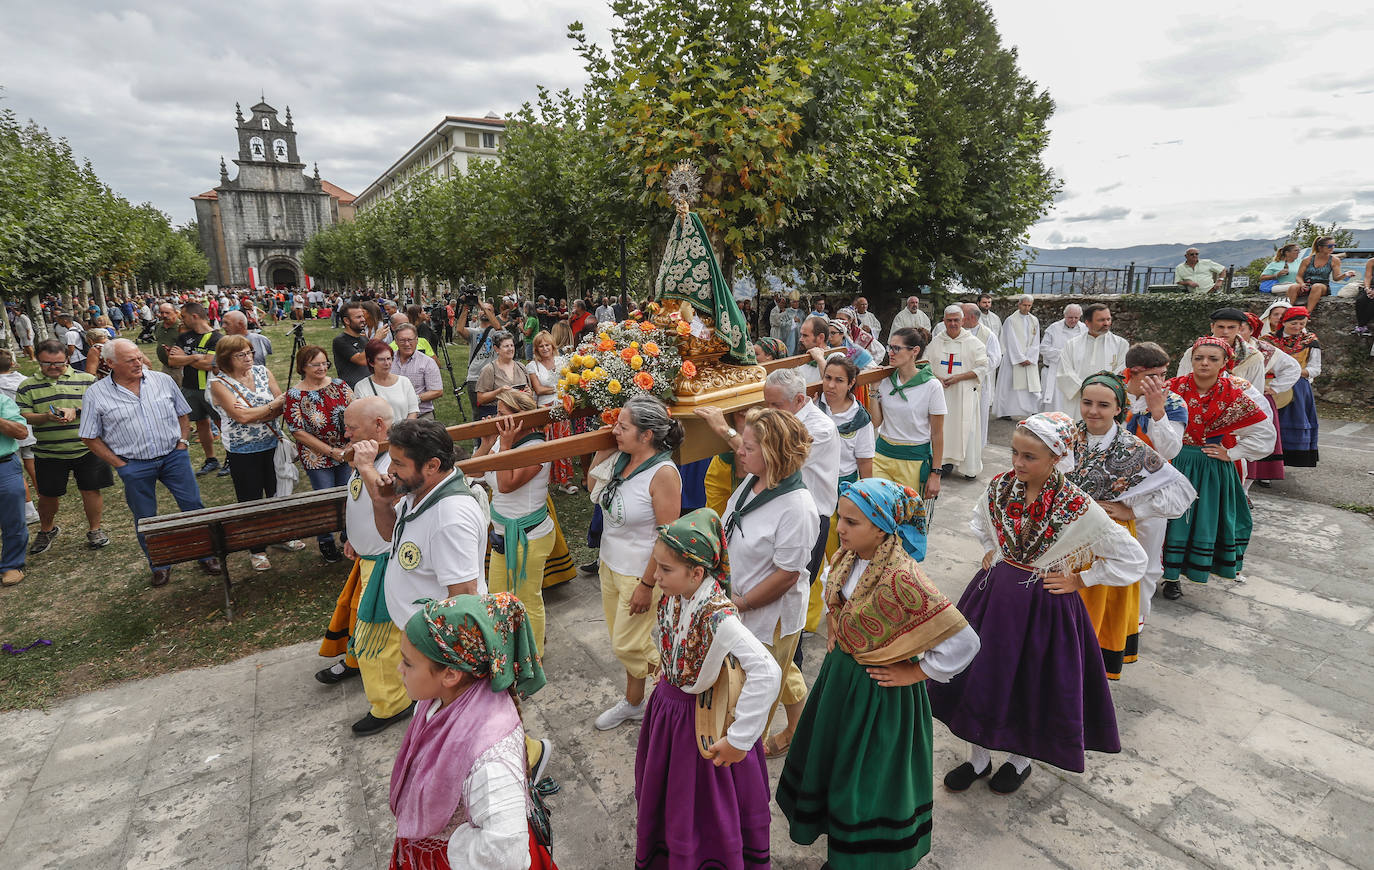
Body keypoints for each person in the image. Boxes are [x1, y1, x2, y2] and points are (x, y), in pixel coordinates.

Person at [928, 412, 1146, 792]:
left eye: (1029, 457)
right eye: (1015, 452)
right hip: (993, 598)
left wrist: (1082, 578)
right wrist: (991, 549)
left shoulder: (1076, 504)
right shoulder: (1000, 487)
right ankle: (978, 759)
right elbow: (981, 522)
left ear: (1057, 458)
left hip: (1044, 607)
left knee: (1030, 681)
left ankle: (1019, 760)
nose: (1017, 462)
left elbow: (1132, 557)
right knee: (982, 676)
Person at [778, 479, 978, 869]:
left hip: (880, 695)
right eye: (841, 518)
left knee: (867, 776)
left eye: (853, 522)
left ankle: (859, 857)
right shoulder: (847, 558)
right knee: (837, 764)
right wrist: (836, 623)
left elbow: (964, 642)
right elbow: (833, 591)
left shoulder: (905, 579)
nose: (840, 529)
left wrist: (917, 672)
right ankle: (841, 848)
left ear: (883, 526)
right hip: (841, 679)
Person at [634, 509, 780, 870]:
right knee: (670, 798)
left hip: (697, 723)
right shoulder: (679, 594)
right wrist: (668, 672)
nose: (656, 576)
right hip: (668, 709)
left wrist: (740, 739)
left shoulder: (718, 616)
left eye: (665, 570)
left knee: (699, 805)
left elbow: (767, 671)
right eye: (657, 566)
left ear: (696, 573)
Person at [389, 594, 556, 869]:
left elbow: (507, 853)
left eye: (408, 663)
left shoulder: (489, 757)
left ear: (451, 675)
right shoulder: (440, 697)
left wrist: (451, 843)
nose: (399, 669)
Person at [349, 418, 488, 737]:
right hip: (422, 636)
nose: (391, 470)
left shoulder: (449, 518)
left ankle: (528, 759)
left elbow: (464, 597)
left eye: (398, 463)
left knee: (469, 723)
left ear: (432, 465)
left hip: (441, 646)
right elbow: (389, 535)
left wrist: (451, 666)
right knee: (448, 723)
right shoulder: (419, 491)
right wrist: (382, 502)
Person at [709, 407, 819, 759]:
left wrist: (739, 604)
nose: (740, 450)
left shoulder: (797, 508)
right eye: (743, 443)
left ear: (774, 455)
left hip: (766, 617)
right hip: (738, 601)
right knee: (785, 671)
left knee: (760, 683)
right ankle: (799, 727)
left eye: (749, 447)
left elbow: (786, 575)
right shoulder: (753, 480)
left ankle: (745, 751)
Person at [1070, 372, 1195, 680]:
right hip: (1066, 537)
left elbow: (1182, 492)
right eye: (1087, 403)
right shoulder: (1067, 436)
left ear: (1119, 409)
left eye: (1103, 404)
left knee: (1097, 606)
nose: (1093, 411)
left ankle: (1089, 674)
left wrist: (1134, 509)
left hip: (1107, 542)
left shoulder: (1132, 447)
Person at [77, 339, 220, 587]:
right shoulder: (96, 394)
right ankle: (159, 564)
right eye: (130, 360)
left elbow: (182, 412)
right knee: (145, 518)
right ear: (110, 363)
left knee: (194, 507)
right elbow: (89, 436)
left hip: (174, 457)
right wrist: (120, 465)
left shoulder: (161, 381)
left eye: (139, 356)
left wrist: (183, 443)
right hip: (134, 465)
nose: (138, 362)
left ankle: (206, 555)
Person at [588, 395, 684, 730]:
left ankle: (674, 684)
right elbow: (594, 491)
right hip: (609, 565)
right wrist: (602, 449)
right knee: (627, 643)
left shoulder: (663, 474)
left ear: (646, 435)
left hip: (639, 575)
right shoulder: (620, 458)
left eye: (622, 426)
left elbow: (666, 535)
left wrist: (647, 584)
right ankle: (634, 703)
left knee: (626, 644)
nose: (615, 430)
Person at [1160, 338, 1275, 600]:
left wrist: (1232, 453)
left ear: (1226, 363)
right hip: (1173, 462)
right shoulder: (1172, 389)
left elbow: (1265, 435)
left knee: (1201, 520)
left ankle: (1179, 575)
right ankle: (1167, 573)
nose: (1205, 363)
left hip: (1210, 466)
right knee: (1168, 520)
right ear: (1191, 359)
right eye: (1200, 357)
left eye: (1213, 359)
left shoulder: (1235, 394)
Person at [315, 395, 394, 690]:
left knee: (375, 624)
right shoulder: (366, 454)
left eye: (352, 428)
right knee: (357, 613)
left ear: (378, 425)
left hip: (385, 562)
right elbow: (357, 497)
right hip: (366, 556)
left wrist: (364, 466)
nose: (346, 434)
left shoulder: (392, 462)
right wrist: (353, 538)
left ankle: (386, 690)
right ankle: (356, 659)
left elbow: (383, 501)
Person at [475, 388, 560, 655]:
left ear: (520, 419)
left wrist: (506, 446)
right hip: (503, 534)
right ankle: (509, 649)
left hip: (530, 536)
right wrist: (488, 443)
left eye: (501, 414)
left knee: (527, 599)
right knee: (498, 598)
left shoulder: (537, 449)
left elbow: (507, 484)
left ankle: (534, 657)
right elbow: (474, 471)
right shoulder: (503, 440)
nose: (494, 418)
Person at [16, 339, 111, 556]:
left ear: (67, 359)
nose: (53, 367)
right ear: (38, 360)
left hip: (87, 448)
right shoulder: (27, 385)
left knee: (91, 490)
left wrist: (75, 411)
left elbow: (102, 407)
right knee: (48, 495)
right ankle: (46, 530)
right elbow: (23, 415)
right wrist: (46, 417)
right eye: (46, 363)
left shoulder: (87, 379)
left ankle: (95, 530)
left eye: (58, 363)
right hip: (49, 452)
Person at [206, 335, 289, 572]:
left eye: (250, 352)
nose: (248, 358)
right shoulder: (219, 384)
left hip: (272, 443)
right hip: (242, 451)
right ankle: (257, 548)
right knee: (250, 499)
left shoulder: (263, 372)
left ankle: (282, 535)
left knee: (277, 492)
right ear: (226, 359)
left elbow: (282, 404)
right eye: (241, 355)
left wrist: (258, 412)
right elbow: (241, 417)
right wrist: (268, 408)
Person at [283, 345, 354, 563]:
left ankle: (348, 534)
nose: (322, 367)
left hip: (346, 451)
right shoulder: (295, 395)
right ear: (303, 366)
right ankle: (325, 539)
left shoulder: (340, 386)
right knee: (324, 498)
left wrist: (349, 447)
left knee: (348, 496)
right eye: (316, 364)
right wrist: (332, 452)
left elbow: (356, 412)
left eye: (325, 363)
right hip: (317, 456)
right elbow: (298, 432)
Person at [869, 326, 944, 504]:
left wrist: (936, 474)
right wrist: (873, 389)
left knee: (905, 518)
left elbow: (937, 433)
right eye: (889, 347)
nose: (891, 353)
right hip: (881, 456)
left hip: (913, 461)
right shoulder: (886, 380)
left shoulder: (932, 386)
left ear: (914, 351)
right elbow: (876, 422)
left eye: (896, 348)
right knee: (876, 514)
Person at [923, 305, 988, 479]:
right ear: (944, 321)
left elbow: (983, 367)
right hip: (941, 394)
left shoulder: (974, 343)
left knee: (967, 429)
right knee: (942, 428)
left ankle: (969, 468)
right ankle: (942, 464)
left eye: (956, 320)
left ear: (963, 320)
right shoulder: (936, 341)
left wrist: (959, 377)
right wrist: (937, 377)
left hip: (964, 394)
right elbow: (925, 363)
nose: (952, 324)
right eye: (949, 320)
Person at [1239, 314, 1301, 489]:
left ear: (1251, 331)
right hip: (1224, 402)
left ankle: (1245, 491)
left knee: (1252, 442)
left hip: (1256, 400)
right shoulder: (1217, 347)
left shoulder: (1263, 350)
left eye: (1240, 328)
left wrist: (1274, 387)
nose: (1233, 332)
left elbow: (1292, 367)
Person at [164, 302, 223, 476]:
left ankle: (231, 458)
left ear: (194, 316)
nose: (181, 320)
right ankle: (211, 459)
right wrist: (197, 357)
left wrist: (187, 357)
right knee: (201, 424)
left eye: (183, 316)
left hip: (212, 389)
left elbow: (209, 365)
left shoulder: (216, 337)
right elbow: (172, 361)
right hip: (189, 388)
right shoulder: (184, 337)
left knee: (221, 424)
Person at [1055, 303, 1128, 420]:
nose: (1106, 323)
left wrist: (1102, 390)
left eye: (1108, 319)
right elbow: (1065, 372)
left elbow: (1122, 371)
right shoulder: (1072, 344)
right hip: (1077, 401)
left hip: (1106, 401)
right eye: (1101, 320)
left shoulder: (1121, 344)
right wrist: (1087, 390)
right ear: (1088, 322)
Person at [1269, 306, 1321, 468]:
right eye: (1294, 323)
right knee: (1270, 423)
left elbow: (1315, 369)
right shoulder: (1268, 341)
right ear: (1284, 322)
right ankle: (1267, 465)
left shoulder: (1310, 341)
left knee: (1290, 423)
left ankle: (1284, 462)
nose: (1298, 327)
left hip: (1298, 389)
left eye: (1302, 323)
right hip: (1271, 385)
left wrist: (1292, 372)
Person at [526, 331, 576, 494]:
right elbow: (539, 390)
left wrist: (561, 389)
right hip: (544, 409)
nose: (545, 348)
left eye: (547, 345)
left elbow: (570, 384)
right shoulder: (533, 366)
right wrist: (559, 388)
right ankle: (544, 483)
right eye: (541, 346)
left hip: (562, 407)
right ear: (536, 349)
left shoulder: (562, 361)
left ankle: (565, 481)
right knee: (545, 445)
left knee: (564, 443)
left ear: (552, 346)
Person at [1175, 307, 1267, 387]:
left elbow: (1256, 390)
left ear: (1239, 329)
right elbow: (1181, 382)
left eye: (1231, 327)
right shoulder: (1194, 352)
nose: (1225, 332)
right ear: (1212, 327)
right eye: (1221, 327)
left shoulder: (1253, 356)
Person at [0, 382, 30, 587]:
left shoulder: (2, 401)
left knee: (14, 518)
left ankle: (11, 564)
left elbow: (21, 432)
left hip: (4, 465)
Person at [455, 301, 507, 416]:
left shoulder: (498, 331)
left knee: (496, 411)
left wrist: (480, 303)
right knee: (477, 413)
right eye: (482, 310)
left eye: (488, 310)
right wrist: (465, 307)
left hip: (494, 377)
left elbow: (499, 328)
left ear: (493, 314)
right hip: (475, 377)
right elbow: (459, 329)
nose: (484, 312)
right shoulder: (474, 332)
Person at [994, 295, 1042, 419]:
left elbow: (1035, 341)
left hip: (1028, 360)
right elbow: (1010, 340)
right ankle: (1005, 412)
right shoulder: (1011, 320)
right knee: (1009, 385)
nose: (1026, 308)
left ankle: (1031, 410)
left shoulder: (1034, 320)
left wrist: (1030, 358)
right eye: (1024, 305)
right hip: (1012, 359)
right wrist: (1020, 358)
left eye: (1029, 306)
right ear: (1019, 304)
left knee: (1029, 386)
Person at [354, 340, 420, 423]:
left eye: (389, 359)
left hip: (404, 433)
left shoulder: (404, 382)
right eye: (381, 359)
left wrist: (403, 433)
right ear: (371, 362)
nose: (387, 363)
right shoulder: (361, 387)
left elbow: (413, 411)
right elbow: (362, 418)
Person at [962, 303, 1000, 446]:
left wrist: (974, 370)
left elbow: (995, 359)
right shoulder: (957, 332)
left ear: (971, 317)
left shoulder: (988, 335)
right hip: (958, 381)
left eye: (962, 314)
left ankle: (976, 448)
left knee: (978, 418)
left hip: (979, 383)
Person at [1038, 303, 1086, 410]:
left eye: (1076, 317)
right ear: (1064, 315)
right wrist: (1065, 354)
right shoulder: (1054, 328)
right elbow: (1043, 348)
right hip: (1054, 372)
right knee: (1052, 404)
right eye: (1070, 317)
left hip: (1074, 373)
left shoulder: (1084, 330)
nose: (1073, 320)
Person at [391, 324, 444, 421]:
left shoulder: (427, 362)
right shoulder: (388, 360)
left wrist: (413, 399)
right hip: (393, 417)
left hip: (421, 417)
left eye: (410, 340)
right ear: (396, 341)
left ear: (417, 340)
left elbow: (437, 391)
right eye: (402, 340)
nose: (407, 344)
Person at [474, 332, 528, 419]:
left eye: (512, 345)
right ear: (496, 349)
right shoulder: (489, 369)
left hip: (521, 414)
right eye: (506, 346)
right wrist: (499, 392)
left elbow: (530, 391)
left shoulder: (521, 367)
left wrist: (528, 393)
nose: (510, 349)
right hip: (498, 416)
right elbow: (480, 398)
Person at [1294, 236, 1355, 313]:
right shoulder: (1307, 260)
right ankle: (1288, 310)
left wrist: (1345, 275)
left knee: (1316, 286)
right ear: (1320, 247)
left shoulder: (1334, 260)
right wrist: (1302, 284)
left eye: (1334, 245)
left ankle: (1307, 313)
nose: (1332, 248)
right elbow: (1298, 276)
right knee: (1293, 287)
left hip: (1322, 286)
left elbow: (1336, 278)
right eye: (1330, 246)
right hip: (1307, 284)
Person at [332, 301, 371, 388]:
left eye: (362, 316)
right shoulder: (340, 341)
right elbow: (361, 360)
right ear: (346, 321)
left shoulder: (364, 338)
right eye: (358, 317)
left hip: (369, 386)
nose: (363, 319)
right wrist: (375, 340)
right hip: (352, 389)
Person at [796, 315, 833, 385]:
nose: (801, 339)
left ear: (821, 337)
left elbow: (833, 384)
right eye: (801, 335)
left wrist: (820, 359)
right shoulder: (802, 363)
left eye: (805, 335)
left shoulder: (836, 357)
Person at [152, 302, 183, 378]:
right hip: (165, 367)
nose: (164, 315)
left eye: (167, 313)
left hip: (180, 368)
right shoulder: (158, 325)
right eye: (162, 313)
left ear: (175, 313)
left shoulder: (182, 327)